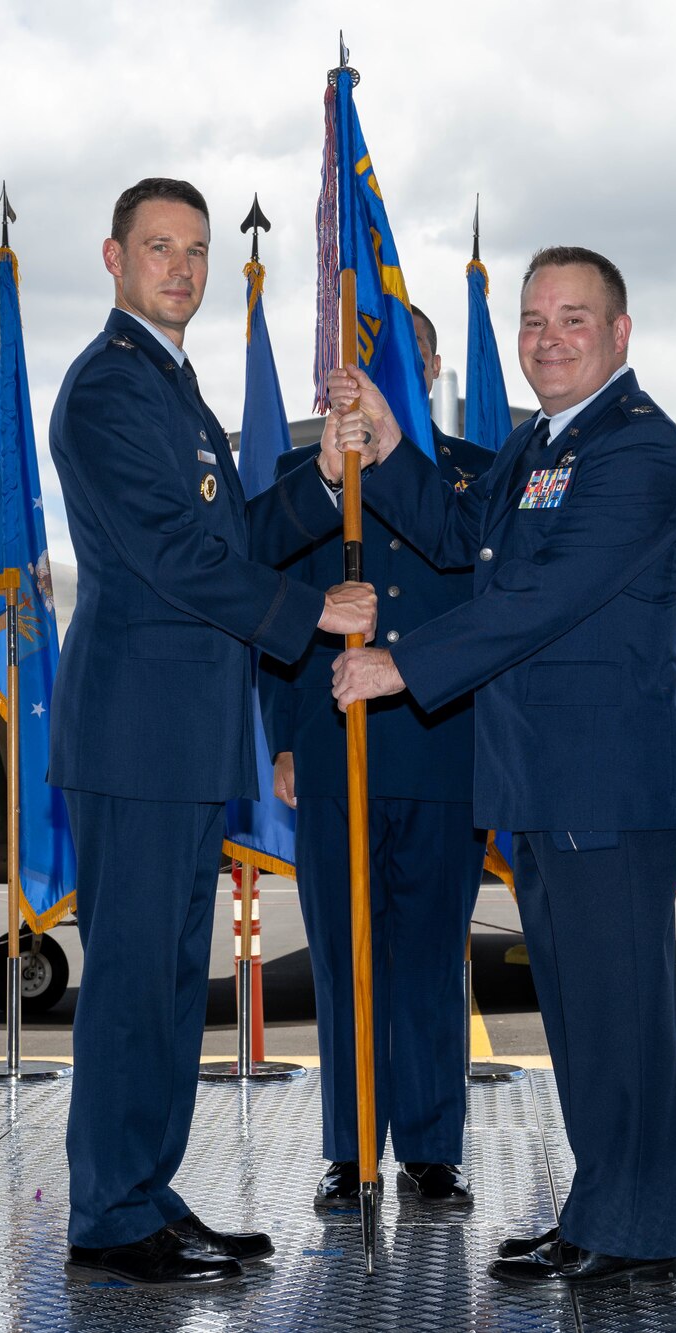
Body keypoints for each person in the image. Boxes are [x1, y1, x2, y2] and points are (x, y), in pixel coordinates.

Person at [322, 246, 676, 1288]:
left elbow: (545, 595)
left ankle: (634, 1232)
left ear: (619, 333)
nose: (545, 339)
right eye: (532, 321)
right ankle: (599, 1210)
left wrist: (404, 662)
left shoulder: (639, 452)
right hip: (536, 777)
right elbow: (460, 534)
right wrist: (394, 445)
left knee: (618, 1012)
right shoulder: (537, 445)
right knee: (580, 1017)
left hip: (604, 778)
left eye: (570, 319)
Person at [46, 177, 375, 1287]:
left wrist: (321, 480)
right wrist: (309, 613)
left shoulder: (172, 388)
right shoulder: (106, 390)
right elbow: (171, 556)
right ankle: (105, 1213)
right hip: (135, 733)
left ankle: (143, 1187)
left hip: (180, 735)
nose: (181, 269)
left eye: (193, 250)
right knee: (135, 979)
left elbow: (227, 531)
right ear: (113, 257)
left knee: (173, 982)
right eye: (158, 249)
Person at [262, 304, 496, 1209]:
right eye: (358, 364)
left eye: (404, 358)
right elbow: (271, 617)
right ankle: (351, 1149)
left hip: (443, 747)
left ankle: (432, 1147)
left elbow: (489, 603)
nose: (382, 376)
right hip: (332, 744)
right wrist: (284, 735)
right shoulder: (306, 477)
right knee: (342, 955)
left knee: (432, 957)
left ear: (431, 369)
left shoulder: (478, 478)